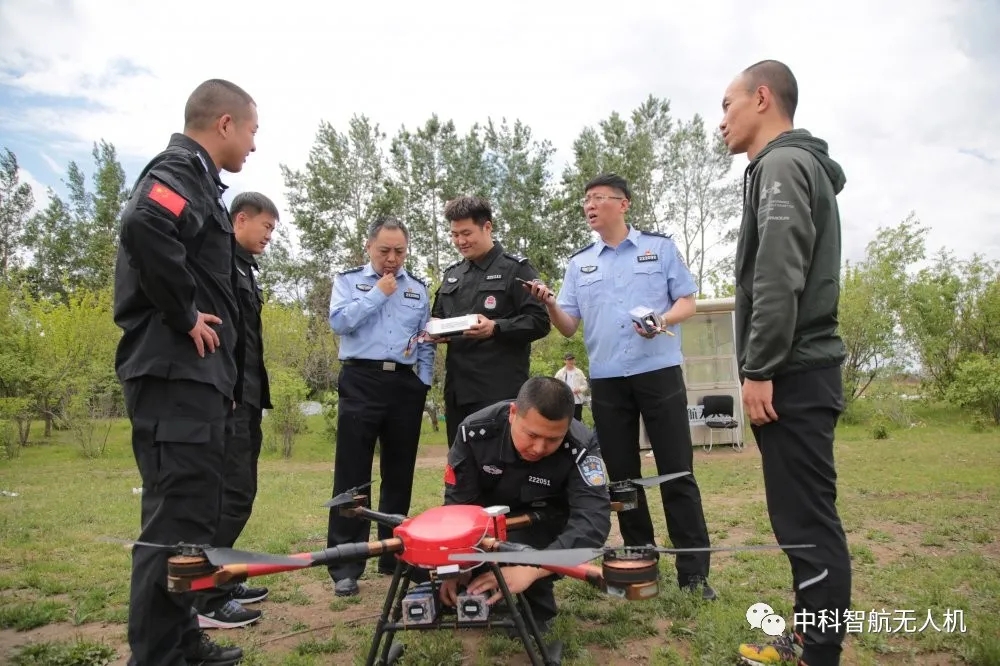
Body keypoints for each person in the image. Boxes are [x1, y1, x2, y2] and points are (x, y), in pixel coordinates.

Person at [113, 78, 258, 666]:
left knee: (193, 517)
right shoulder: (179, 169)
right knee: (173, 519)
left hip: (195, 381)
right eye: (252, 130)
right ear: (224, 123)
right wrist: (181, 311)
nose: (253, 145)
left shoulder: (201, 179)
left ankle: (180, 642)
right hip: (173, 376)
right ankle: (158, 655)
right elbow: (145, 222)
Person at [525, 173, 716, 601]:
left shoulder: (658, 248)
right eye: (585, 201)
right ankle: (639, 560)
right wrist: (551, 303)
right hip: (608, 380)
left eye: (598, 198)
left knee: (677, 471)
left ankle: (695, 573)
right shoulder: (580, 263)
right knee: (623, 480)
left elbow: (688, 301)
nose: (590, 206)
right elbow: (570, 328)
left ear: (623, 203)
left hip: (659, 373)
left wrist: (664, 320)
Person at [719, 60, 851, 666]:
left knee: (806, 520)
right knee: (800, 515)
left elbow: (777, 276)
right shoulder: (786, 167)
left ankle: (817, 652)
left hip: (793, 370)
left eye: (728, 104)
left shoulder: (780, 165)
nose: (722, 119)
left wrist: (759, 367)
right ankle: (808, 637)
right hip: (798, 367)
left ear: (763, 98)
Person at [440, 376, 611, 632]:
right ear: (512, 414)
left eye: (553, 439)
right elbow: (457, 507)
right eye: (531, 435)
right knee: (428, 568)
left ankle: (533, 598)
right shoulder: (474, 432)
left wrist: (534, 568)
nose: (539, 447)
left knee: (525, 559)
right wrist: (458, 564)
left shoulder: (581, 446)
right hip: (487, 527)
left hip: (544, 525)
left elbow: (593, 521)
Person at [326, 217, 435, 597]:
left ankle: (393, 553)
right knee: (353, 474)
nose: (392, 259)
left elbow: (425, 339)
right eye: (384, 250)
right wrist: (378, 293)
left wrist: (423, 380)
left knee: (399, 471)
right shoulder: (348, 281)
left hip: (405, 385)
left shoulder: (418, 289)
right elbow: (339, 323)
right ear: (369, 247)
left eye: (400, 251)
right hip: (361, 379)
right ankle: (345, 564)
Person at [193, 192, 279, 629]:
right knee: (227, 497)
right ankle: (204, 599)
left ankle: (220, 578)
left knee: (239, 494)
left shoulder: (244, 266)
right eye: (266, 227)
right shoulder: (218, 262)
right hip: (226, 397)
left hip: (245, 397)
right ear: (240, 219)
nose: (269, 236)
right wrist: (223, 386)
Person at [430, 196, 551, 448]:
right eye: (454, 235)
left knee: (500, 465)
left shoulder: (516, 270)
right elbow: (438, 317)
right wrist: (435, 329)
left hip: (499, 391)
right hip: (458, 391)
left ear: (487, 227)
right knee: (462, 466)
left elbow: (539, 321)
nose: (460, 241)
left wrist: (496, 327)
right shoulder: (453, 274)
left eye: (466, 233)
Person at [554, 353, 588, 421]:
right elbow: (555, 386)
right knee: (565, 420)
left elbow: (585, 385)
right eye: (569, 360)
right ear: (565, 361)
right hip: (565, 401)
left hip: (577, 401)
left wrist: (579, 389)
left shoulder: (579, 372)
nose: (571, 361)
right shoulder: (560, 373)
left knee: (577, 421)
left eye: (572, 359)